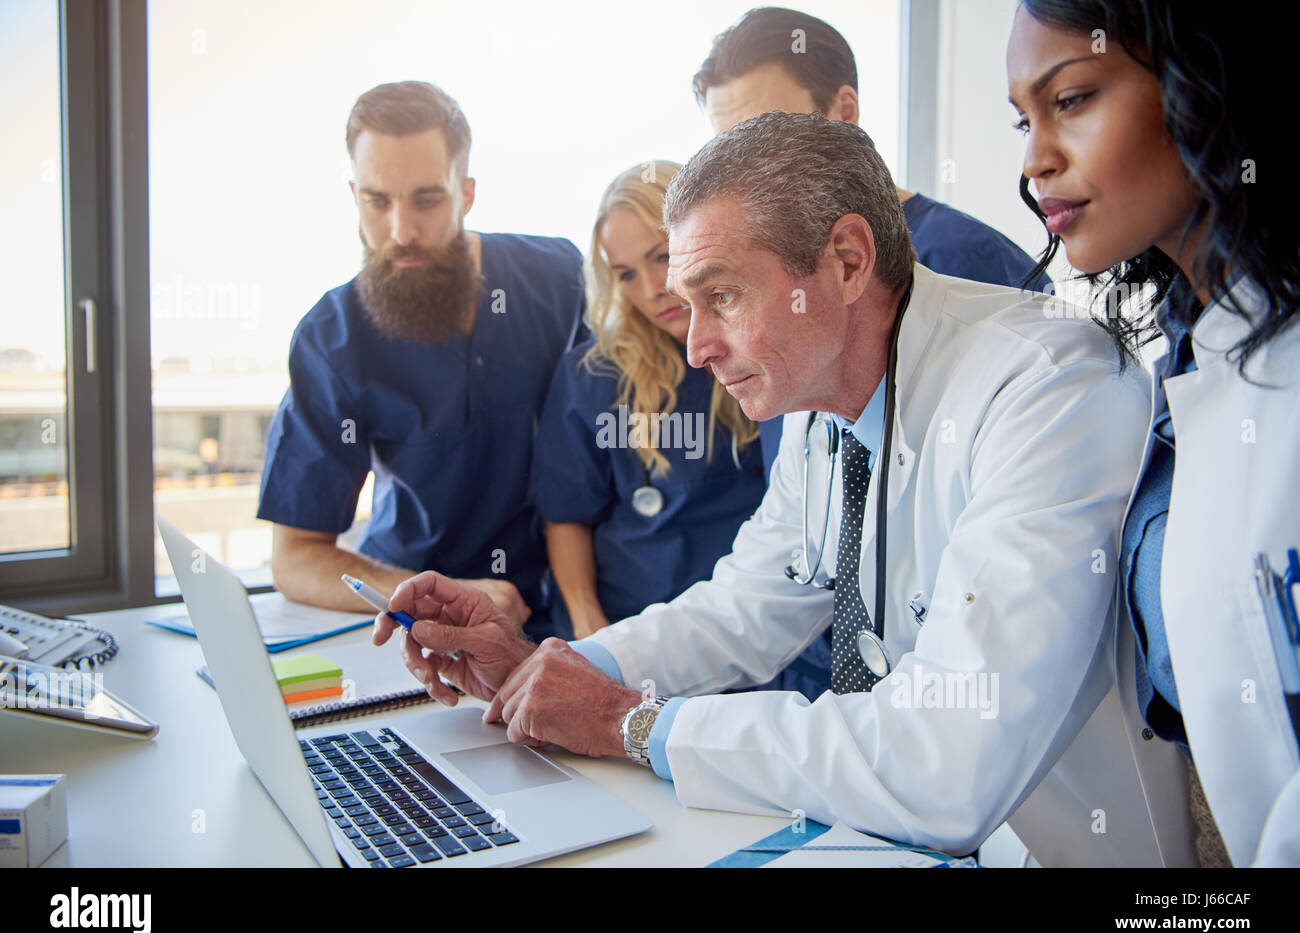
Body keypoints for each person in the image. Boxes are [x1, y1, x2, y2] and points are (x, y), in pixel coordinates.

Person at [372, 112, 1169, 866]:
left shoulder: (1047, 385)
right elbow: (745, 607)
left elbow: (948, 754)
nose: (695, 348)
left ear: (848, 261)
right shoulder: (820, 402)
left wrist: (634, 724)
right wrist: (553, 670)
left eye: (720, 296)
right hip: (887, 839)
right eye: (688, 305)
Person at [1008, 0, 1300, 866]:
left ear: (1205, 85)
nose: (1034, 161)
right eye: (1022, 119)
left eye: (1072, 99)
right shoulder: (1191, 350)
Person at [694, 6, 1054, 699]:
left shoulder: (968, 266)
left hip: (934, 687)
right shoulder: (780, 288)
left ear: (844, 112)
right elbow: (781, 558)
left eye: (764, 142)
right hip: (810, 665)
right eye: (724, 151)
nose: (740, 179)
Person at [256, 81, 583, 639]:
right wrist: (429, 598)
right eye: (377, 201)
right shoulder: (332, 337)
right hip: (406, 604)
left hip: (555, 605)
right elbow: (295, 558)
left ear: (467, 194)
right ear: (353, 193)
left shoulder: (557, 277)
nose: (401, 232)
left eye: (427, 200)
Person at [529, 162, 766, 641]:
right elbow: (566, 516)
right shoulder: (594, 376)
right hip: (627, 624)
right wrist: (590, 634)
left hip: (748, 630)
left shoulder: (769, 354)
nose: (651, 290)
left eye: (662, 257)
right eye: (626, 275)